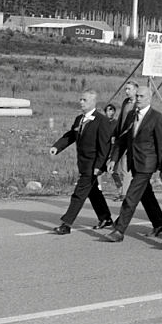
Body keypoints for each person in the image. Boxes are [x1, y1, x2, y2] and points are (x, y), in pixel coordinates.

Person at [105, 85, 162, 242]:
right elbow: (122, 139)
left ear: (149, 98)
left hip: (147, 163)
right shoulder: (131, 115)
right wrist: (114, 159)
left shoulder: (157, 118)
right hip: (134, 161)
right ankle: (159, 223)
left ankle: (119, 230)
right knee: (146, 194)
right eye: (137, 96)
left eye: (141, 96)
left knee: (131, 197)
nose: (138, 99)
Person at [50, 90, 113, 234]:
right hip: (82, 163)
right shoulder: (79, 119)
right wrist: (57, 146)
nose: (81, 102)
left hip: (93, 165)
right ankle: (105, 218)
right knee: (93, 191)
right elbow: (71, 135)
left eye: (84, 100)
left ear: (93, 102)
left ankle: (66, 224)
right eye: (80, 99)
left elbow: (105, 146)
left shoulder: (102, 121)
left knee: (79, 193)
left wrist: (99, 166)